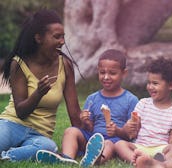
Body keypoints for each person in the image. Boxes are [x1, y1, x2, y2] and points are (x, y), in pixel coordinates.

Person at [0, 9, 82, 162]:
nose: (62, 42)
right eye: (57, 37)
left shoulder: (65, 65)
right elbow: (21, 112)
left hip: (40, 135)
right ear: (39, 38)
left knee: (49, 147)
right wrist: (38, 93)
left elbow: (75, 113)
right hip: (12, 125)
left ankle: (7, 157)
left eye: (63, 36)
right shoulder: (19, 64)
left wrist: (86, 139)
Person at [36, 49, 139, 167]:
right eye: (102, 72)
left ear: (124, 73)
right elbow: (88, 128)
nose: (106, 77)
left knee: (109, 144)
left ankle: (95, 161)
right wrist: (85, 122)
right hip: (92, 140)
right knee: (71, 131)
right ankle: (66, 157)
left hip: (114, 141)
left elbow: (131, 135)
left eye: (112, 73)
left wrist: (117, 131)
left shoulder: (131, 100)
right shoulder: (92, 98)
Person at [114, 57, 172, 168]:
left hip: (161, 148)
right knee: (119, 144)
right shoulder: (143, 103)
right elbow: (133, 133)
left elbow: (171, 142)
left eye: (155, 83)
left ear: (170, 86)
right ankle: (139, 160)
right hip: (140, 146)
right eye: (149, 82)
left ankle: (155, 162)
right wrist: (131, 125)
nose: (150, 87)